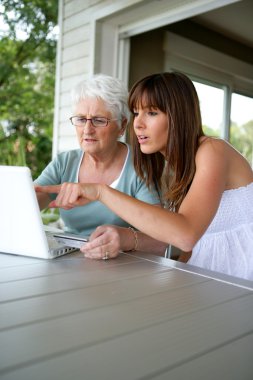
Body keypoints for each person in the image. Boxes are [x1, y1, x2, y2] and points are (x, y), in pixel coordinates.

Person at [35, 72, 253, 281]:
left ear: (178, 116)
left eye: (151, 112)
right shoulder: (177, 167)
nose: (138, 123)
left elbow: (185, 235)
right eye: (136, 112)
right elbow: (198, 242)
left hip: (242, 271)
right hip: (210, 267)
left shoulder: (213, 150)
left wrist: (101, 192)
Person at [35, 73, 167, 259]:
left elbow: (161, 242)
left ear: (121, 126)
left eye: (98, 120)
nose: (87, 130)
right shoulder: (65, 162)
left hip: (122, 264)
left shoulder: (140, 167)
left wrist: (125, 239)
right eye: (81, 119)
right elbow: (25, 204)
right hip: (69, 258)